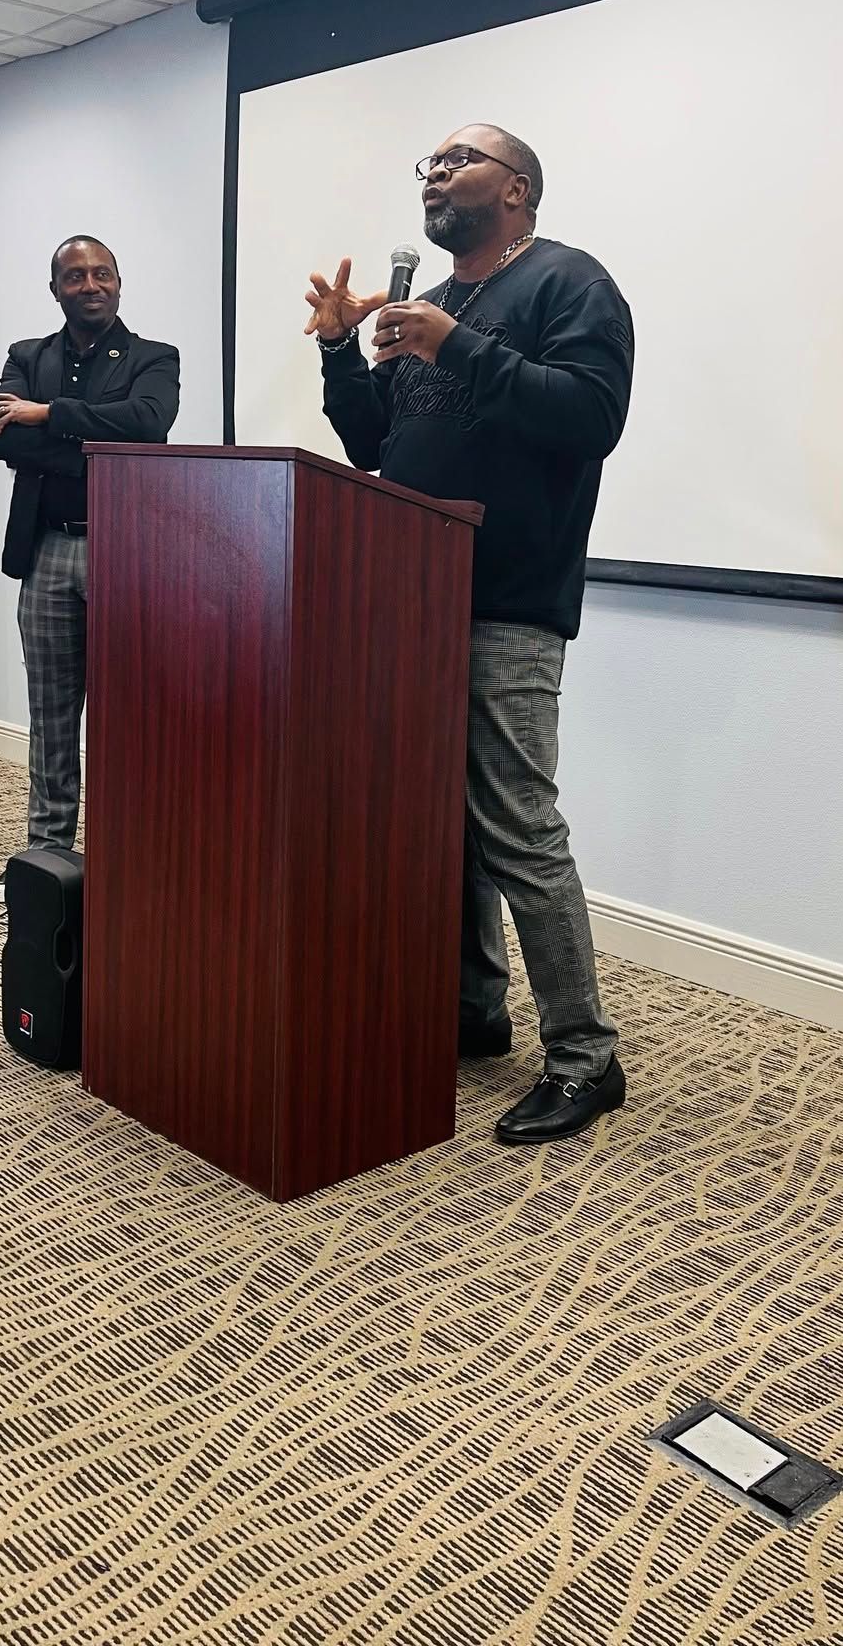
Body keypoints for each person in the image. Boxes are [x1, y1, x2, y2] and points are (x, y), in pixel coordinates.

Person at [306, 126, 634, 1147]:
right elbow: (381, 449)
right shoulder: (432, 308)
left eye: (460, 160)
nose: (438, 175)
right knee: (443, 826)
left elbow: (587, 416)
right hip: (412, 599)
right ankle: (475, 1010)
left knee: (518, 829)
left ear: (518, 188)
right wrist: (337, 350)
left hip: (510, 598)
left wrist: (454, 344)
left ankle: (587, 1055)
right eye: (430, 166)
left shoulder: (570, 284)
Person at [0, 235, 180, 850]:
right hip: (44, 552)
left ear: (118, 284)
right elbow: (1, 440)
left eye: (102, 274)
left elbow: (148, 425)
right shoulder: (25, 355)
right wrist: (93, 443)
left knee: (127, 714)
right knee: (51, 714)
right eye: (75, 277)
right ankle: (49, 853)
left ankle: (125, 850)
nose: (89, 285)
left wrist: (47, 416)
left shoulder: (155, 358)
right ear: (56, 290)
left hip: (123, 553)